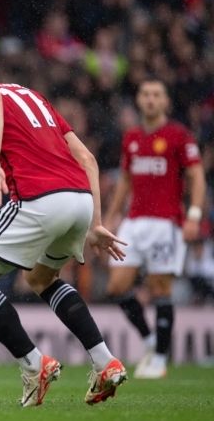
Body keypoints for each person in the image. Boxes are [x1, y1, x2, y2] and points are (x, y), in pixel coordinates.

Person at [0, 44, 128, 407]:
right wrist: (94, 222)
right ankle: (105, 361)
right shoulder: (29, 94)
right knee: (40, 277)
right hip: (79, 199)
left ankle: (35, 364)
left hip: (38, 200)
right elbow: (87, 158)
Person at [103, 79, 206, 379]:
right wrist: (111, 216)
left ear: (165, 102)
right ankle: (151, 340)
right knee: (116, 287)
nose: (150, 99)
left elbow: (197, 176)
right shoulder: (132, 137)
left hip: (166, 223)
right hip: (134, 222)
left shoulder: (178, 135)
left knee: (161, 289)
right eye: (146, 94)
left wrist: (194, 215)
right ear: (138, 99)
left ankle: (160, 359)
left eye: (156, 95)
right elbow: (125, 180)